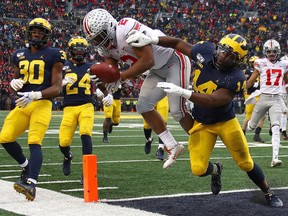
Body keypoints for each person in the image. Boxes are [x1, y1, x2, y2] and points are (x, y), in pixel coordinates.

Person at [126, 31, 283, 207]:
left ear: (237, 60)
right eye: (223, 50)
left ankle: (268, 192)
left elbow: (213, 101)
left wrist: (183, 92)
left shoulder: (236, 77)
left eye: (230, 56)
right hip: (202, 123)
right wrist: (153, 39)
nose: (223, 56)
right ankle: (216, 170)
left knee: (245, 163)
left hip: (225, 122)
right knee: (198, 169)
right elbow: (178, 43)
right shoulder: (205, 51)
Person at [83, 8, 193, 169]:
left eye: (100, 36)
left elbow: (147, 60)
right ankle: (172, 145)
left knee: (177, 110)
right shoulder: (105, 47)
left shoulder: (126, 28)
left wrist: (120, 77)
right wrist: (100, 78)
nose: (99, 42)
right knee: (143, 105)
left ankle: (202, 138)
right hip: (157, 70)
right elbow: (112, 70)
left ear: (109, 26)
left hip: (174, 60)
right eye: (95, 39)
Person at [0, 18, 66, 201]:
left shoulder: (54, 54)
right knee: (5, 137)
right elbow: (14, 86)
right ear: (29, 33)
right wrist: (12, 84)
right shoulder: (19, 54)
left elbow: (57, 88)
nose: (36, 34)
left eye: (40, 31)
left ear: (47, 35)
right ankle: (26, 166)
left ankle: (31, 184)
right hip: (23, 103)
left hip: (41, 103)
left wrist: (36, 95)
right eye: (34, 31)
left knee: (34, 140)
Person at [59, 36, 113, 180]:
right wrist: (61, 83)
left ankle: (87, 170)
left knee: (85, 133)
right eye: (76, 49)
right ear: (71, 50)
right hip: (69, 107)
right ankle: (67, 156)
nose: (79, 52)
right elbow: (54, 88)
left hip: (86, 106)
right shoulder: (63, 66)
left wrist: (107, 94)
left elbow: (101, 84)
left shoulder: (91, 67)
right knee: (63, 142)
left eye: (82, 49)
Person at [246, 39, 288, 168]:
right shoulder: (261, 63)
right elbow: (251, 81)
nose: (271, 54)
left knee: (276, 127)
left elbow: (286, 82)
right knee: (250, 126)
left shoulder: (283, 64)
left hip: (275, 99)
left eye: (273, 51)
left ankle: (275, 158)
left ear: (278, 52)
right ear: (265, 52)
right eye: (269, 51)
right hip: (263, 98)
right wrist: (239, 88)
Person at [241, 56, 266, 143]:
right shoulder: (248, 71)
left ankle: (257, 135)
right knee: (248, 117)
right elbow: (244, 81)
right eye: (254, 62)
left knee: (263, 116)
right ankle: (242, 136)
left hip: (259, 95)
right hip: (250, 95)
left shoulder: (261, 71)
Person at [144, 96, 169, 161]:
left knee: (162, 121)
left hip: (162, 94)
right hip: (149, 95)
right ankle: (148, 140)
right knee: (146, 124)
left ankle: (161, 148)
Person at [280, 54, 288, 140]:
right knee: (284, 112)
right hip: (283, 92)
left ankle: (283, 130)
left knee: (284, 113)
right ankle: (283, 131)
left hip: (281, 92)